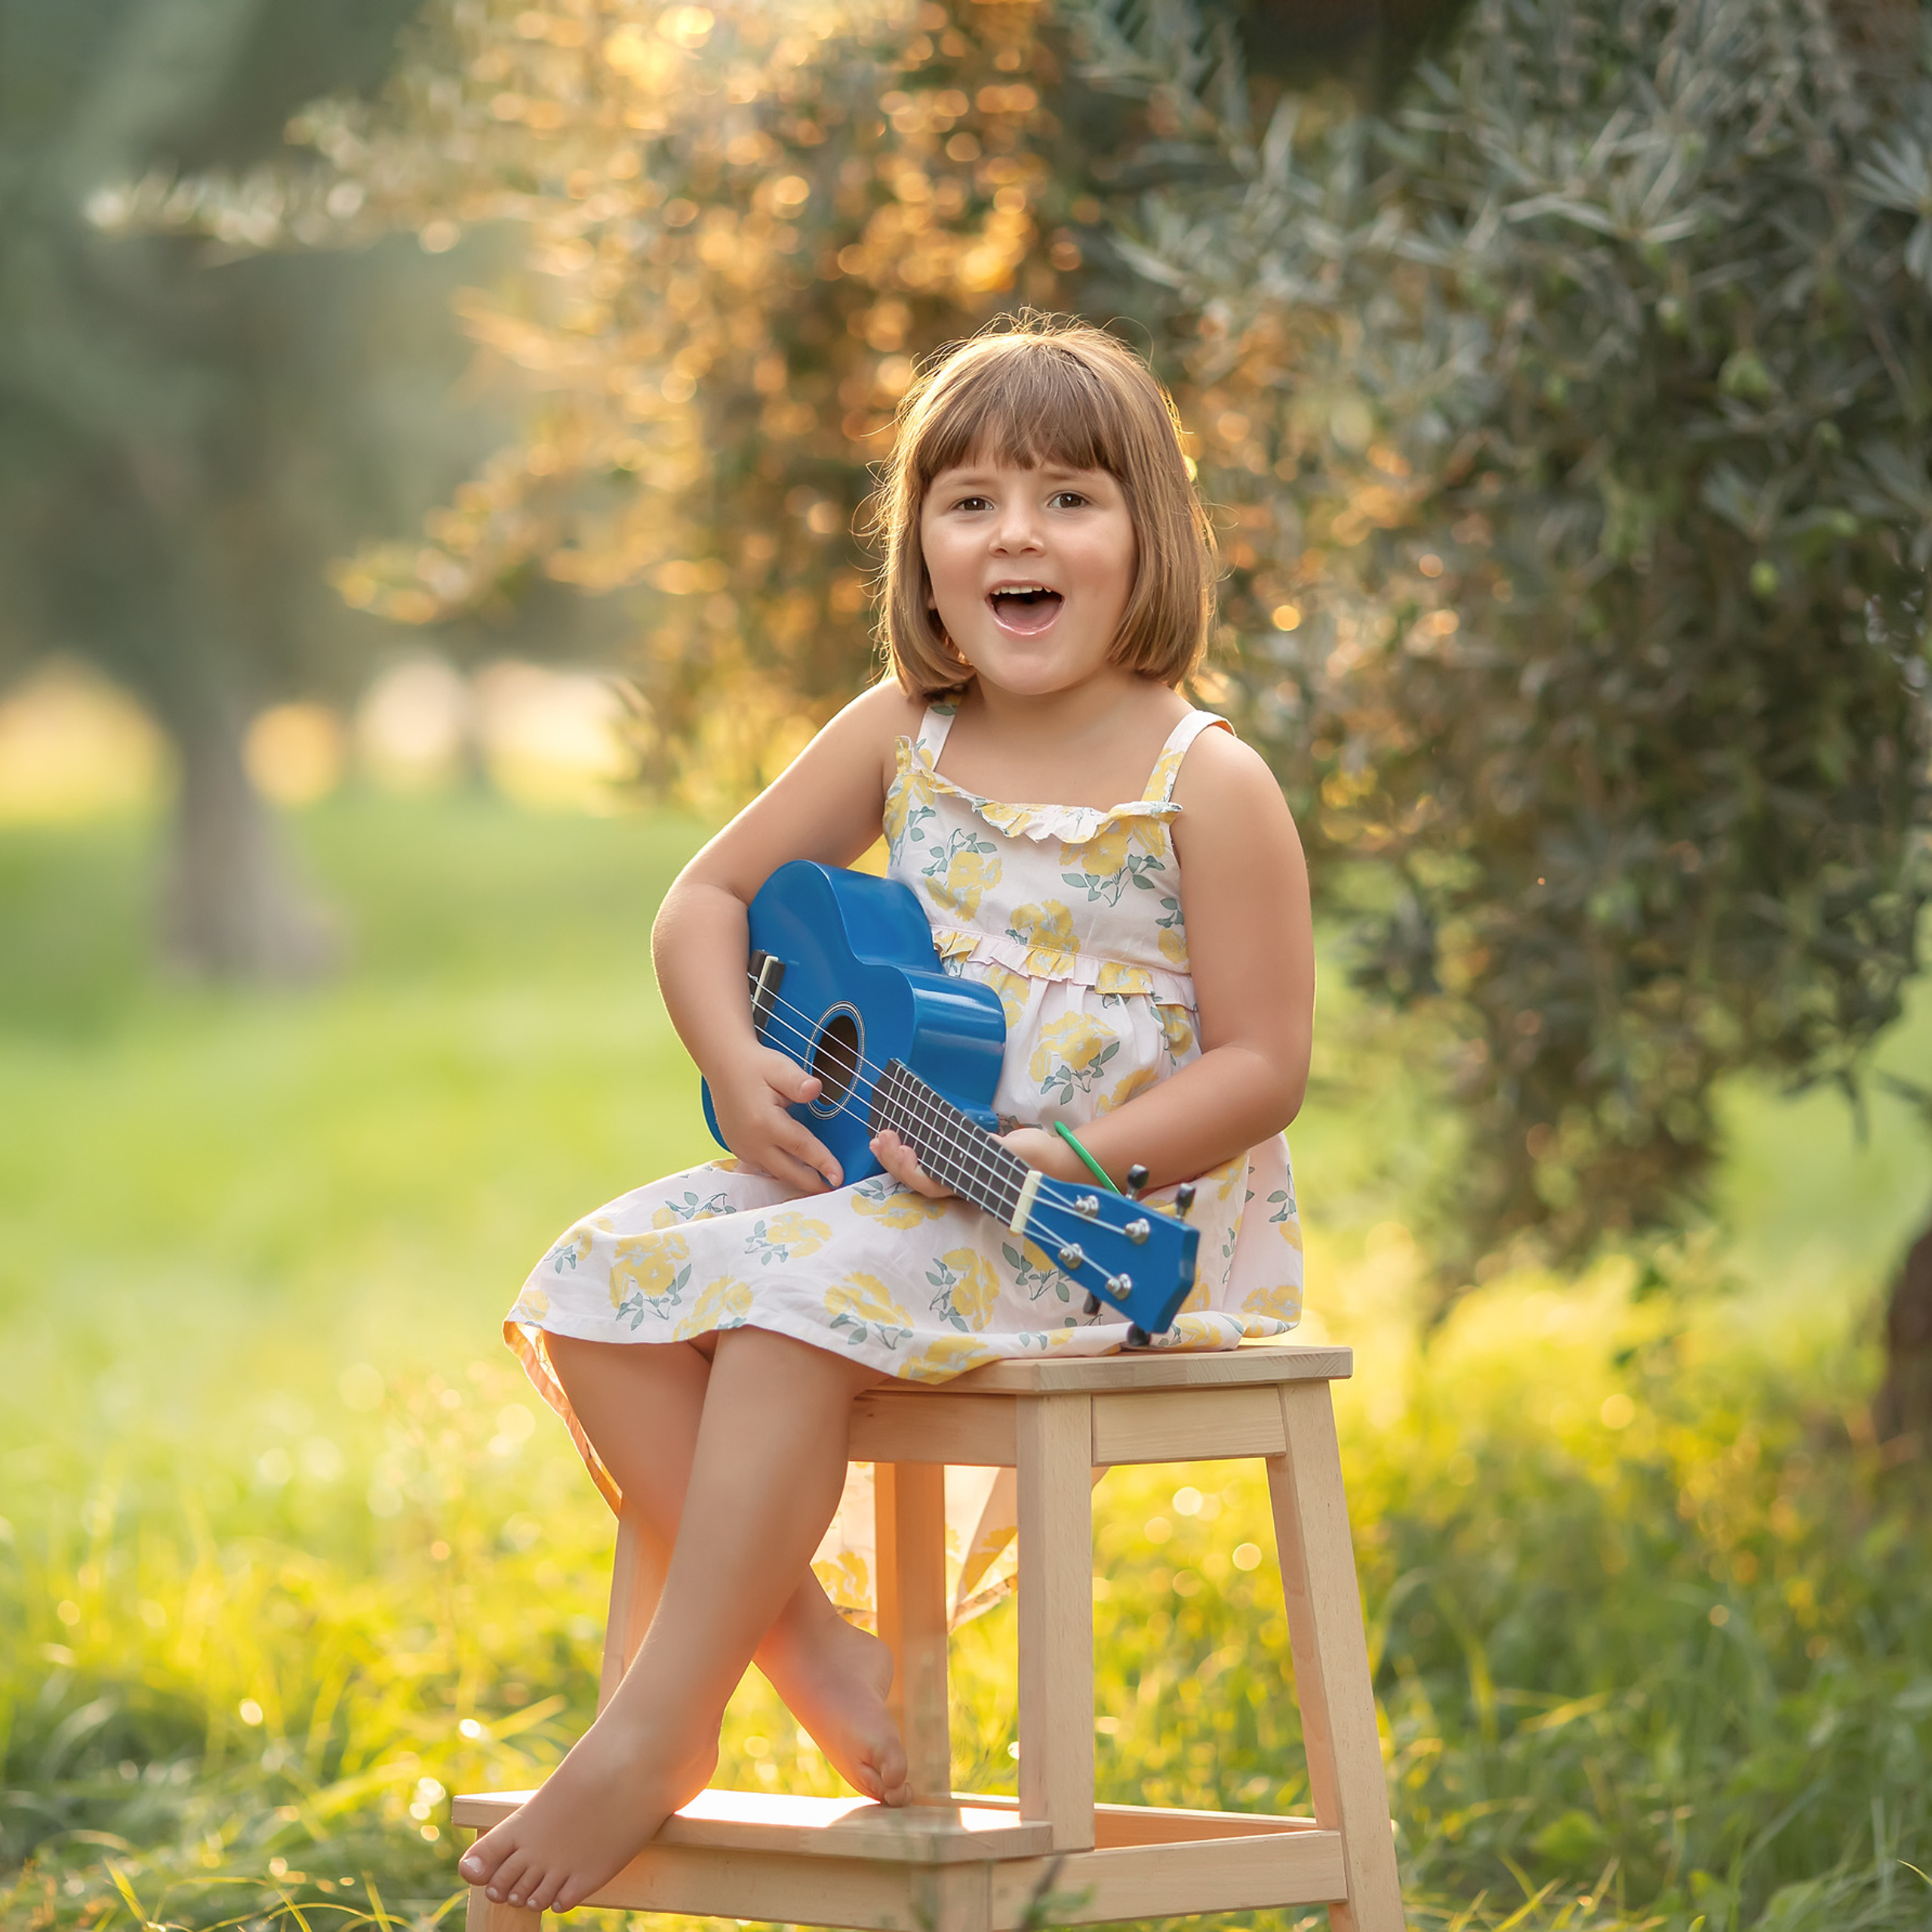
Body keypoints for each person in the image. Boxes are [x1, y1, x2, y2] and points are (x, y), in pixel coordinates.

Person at [460, 314, 1316, 1915]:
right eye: (970, 499)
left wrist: (1058, 1154)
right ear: (921, 550)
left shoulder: (1207, 779)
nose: (1015, 532)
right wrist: (731, 1058)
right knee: (590, 1281)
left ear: (1149, 539)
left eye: (1068, 497)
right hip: (879, 1191)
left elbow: (1264, 1063)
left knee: (791, 1311)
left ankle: (657, 1721)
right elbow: (705, 895)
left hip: (1083, 1222)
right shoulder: (898, 737)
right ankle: (809, 1652)